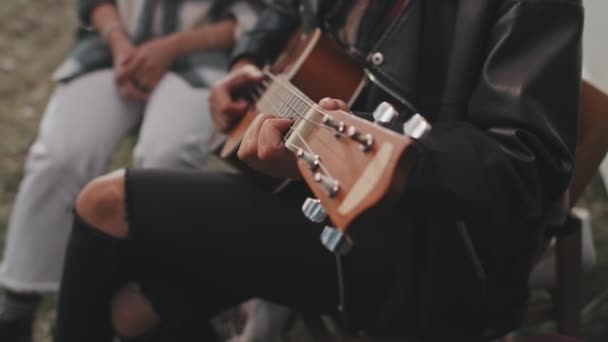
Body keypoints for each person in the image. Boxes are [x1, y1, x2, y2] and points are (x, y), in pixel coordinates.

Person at [51, 0, 584, 341]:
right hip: (309, 204)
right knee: (132, 313)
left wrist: (404, 165)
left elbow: (524, 166)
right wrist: (247, 66)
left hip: (421, 251)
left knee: (105, 203)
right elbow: (285, 11)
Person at [0, 1, 261, 341]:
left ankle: (145, 309)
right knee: (62, 154)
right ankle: (17, 304)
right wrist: (121, 44)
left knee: (166, 158)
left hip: (207, 59)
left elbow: (260, 15)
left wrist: (171, 47)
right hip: (113, 50)